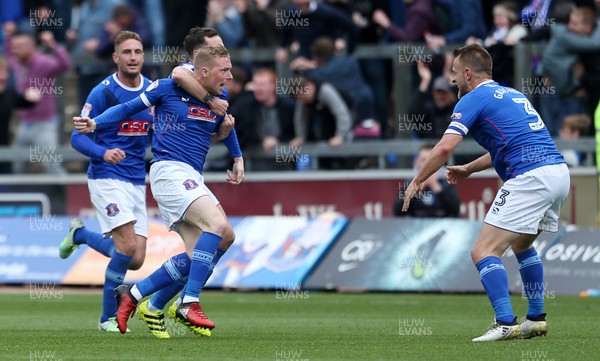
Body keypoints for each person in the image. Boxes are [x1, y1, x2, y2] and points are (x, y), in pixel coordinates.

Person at [402, 44, 569, 342]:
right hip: (557, 172)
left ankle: (505, 322)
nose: (452, 80)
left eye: (454, 73)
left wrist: (417, 180)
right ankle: (535, 318)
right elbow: (507, 146)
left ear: (467, 73)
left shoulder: (472, 98)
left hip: (529, 177)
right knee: (521, 245)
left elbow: (444, 147)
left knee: (483, 251)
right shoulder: (513, 94)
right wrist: (468, 169)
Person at [73, 45, 244, 337]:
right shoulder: (166, 87)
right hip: (168, 171)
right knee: (216, 225)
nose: (229, 76)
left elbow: (224, 126)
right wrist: (95, 123)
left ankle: (137, 295)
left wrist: (237, 156)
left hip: (191, 175)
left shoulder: (220, 97)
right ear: (203, 71)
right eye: (224, 70)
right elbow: (127, 109)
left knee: (215, 243)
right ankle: (188, 302)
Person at [58, 31, 152, 333]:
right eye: (127, 52)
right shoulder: (103, 92)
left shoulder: (152, 91)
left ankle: (81, 235)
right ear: (116, 57)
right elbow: (76, 138)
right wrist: (103, 152)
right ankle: (107, 318)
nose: (133, 57)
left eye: (138, 51)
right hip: (106, 177)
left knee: (135, 259)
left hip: (137, 180)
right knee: (125, 246)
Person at [5, 30, 71, 174]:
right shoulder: (18, 64)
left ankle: (67, 193)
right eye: (13, 47)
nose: (14, 50)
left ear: (30, 48)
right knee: (18, 167)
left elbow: (66, 65)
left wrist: (52, 45)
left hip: (44, 125)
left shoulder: (43, 62)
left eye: (18, 47)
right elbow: (7, 56)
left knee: (52, 166)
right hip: (24, 124)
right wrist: (8, 36)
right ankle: (18, 195)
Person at [394, 144, 460, 217]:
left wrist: (436, 187)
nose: (427, 164)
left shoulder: (447, 182)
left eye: (431, 160)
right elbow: (398, 211)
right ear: (417, 162)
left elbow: (455, 210)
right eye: (423, 160)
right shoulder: (410, 184)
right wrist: (417, 190)